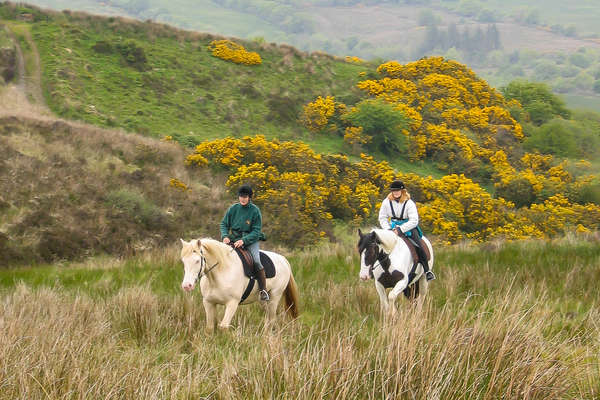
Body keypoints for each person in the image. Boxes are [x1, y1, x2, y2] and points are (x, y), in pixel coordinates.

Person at [220, 184, 270, 301]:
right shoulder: (233, 209)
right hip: (233, 238)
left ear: (250, 197)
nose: (242, 199)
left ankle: (263, 290)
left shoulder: (255, 211)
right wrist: (225, 236)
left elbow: (256, 231)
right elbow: (223, 224)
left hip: (250, 240)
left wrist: (244, 240)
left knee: (257, 261)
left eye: (245, 196)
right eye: (241, 196)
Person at [378, 180, 435, 281]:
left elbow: (414, 220)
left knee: (418, 245)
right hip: (392, 227)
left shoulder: (409, 203)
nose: (395, 192)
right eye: (393, 190)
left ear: (402, 191)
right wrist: (388, 229)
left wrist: (400, 230)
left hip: (408, 227)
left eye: (397, 190)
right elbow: (382, 217)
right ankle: (374, 270)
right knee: (378, 245)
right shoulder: (386, 202)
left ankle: (427, 271)